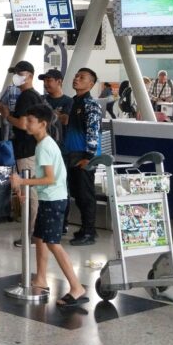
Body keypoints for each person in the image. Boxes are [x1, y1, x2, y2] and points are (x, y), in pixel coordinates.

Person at [10, 104, 87, 307]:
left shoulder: (44, 146)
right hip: (51, 198)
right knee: (40, 238)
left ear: (43, 124)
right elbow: (44, 176)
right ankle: (41, 279)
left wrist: (23, 182)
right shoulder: (45, 143)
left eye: (31, 121)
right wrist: (26, 187)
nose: (26, 123)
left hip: (53, 199)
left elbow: (49, 179)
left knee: (53, 243)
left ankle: (76, 286)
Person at [0, 60, 45, 246]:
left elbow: (22, 124)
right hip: (34, 150)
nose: (16, 76)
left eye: (20, 73)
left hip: (27, 151)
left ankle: (31, 235)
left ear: (29, 75)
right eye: (15, 73)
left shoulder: (26, 97)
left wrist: (6, 114)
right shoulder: (36, 96)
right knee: (33, 193)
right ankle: (35, 233)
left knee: (29, 195)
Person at [63, 68, 102, 246]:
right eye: (76, 76)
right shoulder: (74, 102)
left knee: (86, 195)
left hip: (84, 156)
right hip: (72, 154)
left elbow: (93, 131)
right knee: (77, 193)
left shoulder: (90, 104)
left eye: (82, 77)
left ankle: (89, 232)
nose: (77, 79)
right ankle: (87, 228)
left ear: (91, 84)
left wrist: (89, 156)